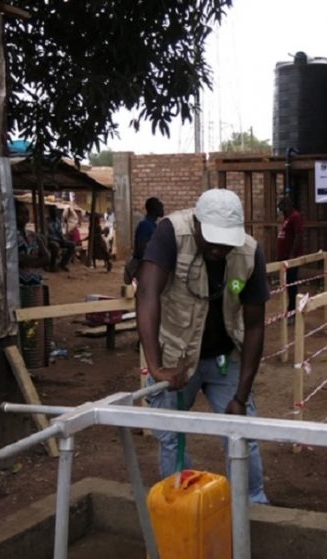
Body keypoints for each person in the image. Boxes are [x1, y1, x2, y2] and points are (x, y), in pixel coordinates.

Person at [136, 188, 270, 504]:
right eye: (212, 238)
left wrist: (241, 394)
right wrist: (156, 366)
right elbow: (147, 293)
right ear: (196, 223)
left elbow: (254, 326)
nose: (219, 248)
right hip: (176, 357)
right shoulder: (171, 233)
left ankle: (254, 502)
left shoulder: (250, 252)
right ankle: (180, 504)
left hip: (226, 359)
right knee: (170, 436)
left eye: (226, 241)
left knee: (242, 434)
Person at [125, 197, 164, 284]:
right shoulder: (145, 225)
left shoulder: (153, 225)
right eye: (159, 206)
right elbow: (143, 248)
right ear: (154, 209)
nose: (162, 208)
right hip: (142, 267)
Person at [276, 196, 304, 316]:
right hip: (284, 257)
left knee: (291, 283)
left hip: (290, 258)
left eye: (281, 207)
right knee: (287, 283)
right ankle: (290, 307)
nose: (280, 210)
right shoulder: (287, 218)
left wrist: (292, 254)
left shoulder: (295, 217)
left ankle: (292, 308)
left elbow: (298, 235)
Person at [16, 201, 50, 286]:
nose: (24, 216)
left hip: (36, 280)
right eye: (20, 213)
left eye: (26, 213)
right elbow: (16, 259)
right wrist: (37, 259)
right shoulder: (10, 237)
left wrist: (29, 261)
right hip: (19, 283)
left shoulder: (34, 236)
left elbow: (47, 257)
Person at [46, 205, 75, 272]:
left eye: (56, 211)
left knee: (72, 245)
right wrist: (57, 239)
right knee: (56, 246)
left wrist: (62, 238)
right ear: (50, 212)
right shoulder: (46, 221)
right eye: (53, 211)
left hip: (59, 239)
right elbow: (46, 234)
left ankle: (63, 264)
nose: (55, 212)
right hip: (50, 240)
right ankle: (52, 266)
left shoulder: (57, 220)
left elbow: (60, 232)